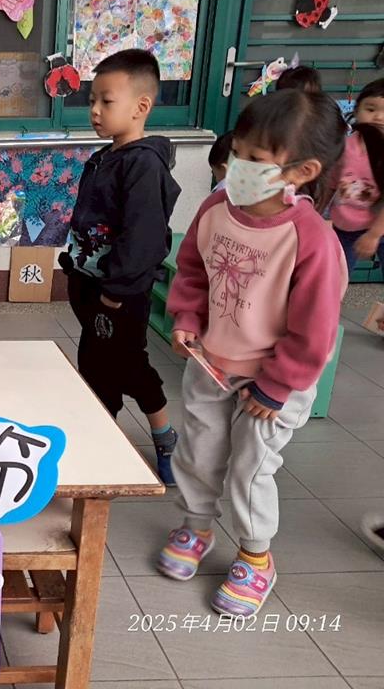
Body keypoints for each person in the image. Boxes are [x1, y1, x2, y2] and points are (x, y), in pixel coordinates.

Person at [160, 90, 347, 617]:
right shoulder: (216, 208)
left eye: (256, 158)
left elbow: (316, 328)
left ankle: (255, 556)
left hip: (274, 380)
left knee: (251, 468)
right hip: (213, 362)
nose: (238, 166)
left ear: (302, 171)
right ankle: (197, 527)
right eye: (237, 152)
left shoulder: (311, 239)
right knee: (198, 452)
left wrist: (278, 385)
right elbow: (193, 270)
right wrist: (187, 318)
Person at [58, 48, 182, 486]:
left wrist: (116, 291)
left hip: (119, 294)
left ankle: (164, 438)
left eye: (106, 101)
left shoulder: (143, 164)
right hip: (91, 285)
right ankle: (101, 436)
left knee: (129, 364)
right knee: (95, 362)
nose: (94, 110)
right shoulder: (105, 157)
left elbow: (143, 238)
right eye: (92, 100)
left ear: (141, 106)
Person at [320, 79, 384, 273]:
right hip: (345, 226)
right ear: (356, 111)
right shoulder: (344, 147)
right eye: (370, 109)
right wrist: (316, 214)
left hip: (380, 226)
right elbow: (330, 184)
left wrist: (374, 235)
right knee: (337, 273)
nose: (378, 117)